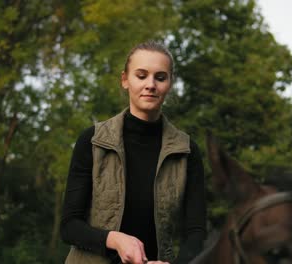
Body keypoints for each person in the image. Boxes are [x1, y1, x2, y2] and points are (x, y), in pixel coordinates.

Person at [60, 41, 207, 264]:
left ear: (169, 83)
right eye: (141, 75)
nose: (151, 85)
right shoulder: (92, 141)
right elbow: (69, 226)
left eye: (160, 77)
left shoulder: (187, 151)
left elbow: (196, 232)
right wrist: (114, 239)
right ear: (125, 80)